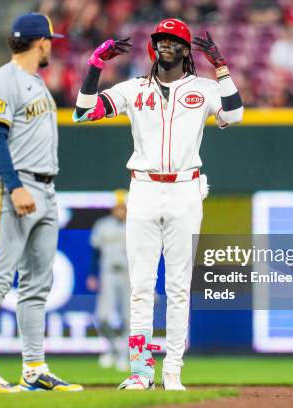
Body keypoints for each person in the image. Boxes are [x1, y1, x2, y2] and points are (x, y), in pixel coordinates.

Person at [73, 18, 244, 390]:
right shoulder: (134, 88)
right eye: (160, 39)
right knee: (141, 286)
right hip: (145, 189)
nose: (164, 44)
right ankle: (140, 371)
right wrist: (94, 66)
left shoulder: (203, 87)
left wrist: (222, 67)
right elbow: (83, 111)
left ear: (185, 50)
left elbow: (234, 114)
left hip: (186, 189)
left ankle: (173, 372)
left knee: (180, 287)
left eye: (172, 39)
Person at [0, 12, 82, 393]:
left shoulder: (35, 82)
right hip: (13, 187)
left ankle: (34, 369)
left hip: (46, 189)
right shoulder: (4, 80)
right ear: (40, 42)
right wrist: (14, 187)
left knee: (36, 286)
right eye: (50, 40)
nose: (52, 45)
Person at [87, 189, 130, 372]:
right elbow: (95, 251)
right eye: (117, 207)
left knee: (131, 318)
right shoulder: (103, 225)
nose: (120, 210)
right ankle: (115, 346)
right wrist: (92, 274)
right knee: (103, 316)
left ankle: (124, 355)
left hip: (130, 273)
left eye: (123, 207)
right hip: (108, 272)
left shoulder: (137, 224)